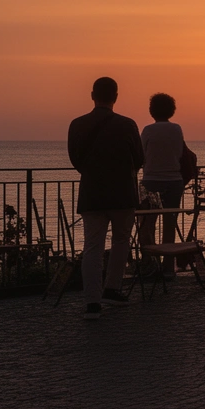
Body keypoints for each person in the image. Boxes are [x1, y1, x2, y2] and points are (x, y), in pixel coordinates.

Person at [68, 77, 144, 320]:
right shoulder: (128, 124)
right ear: (116, 96)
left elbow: (75, 159)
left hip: (92, 194)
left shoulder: (77, 124)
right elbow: (139, 158)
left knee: (92, 247)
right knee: (121, 241)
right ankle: (112, 288)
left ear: (92, 95)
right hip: (123, 194)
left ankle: (92, 302)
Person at [140, 93, 187, 277]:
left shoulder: (148, 130)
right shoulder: (177, 129)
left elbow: (140, 154)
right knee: (169, 223)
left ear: (152, 110)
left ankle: (149, 264)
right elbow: (180, 152)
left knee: (147, 224)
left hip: (151, 180)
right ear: (171, 110)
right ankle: (169, 267)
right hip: (174, 180)